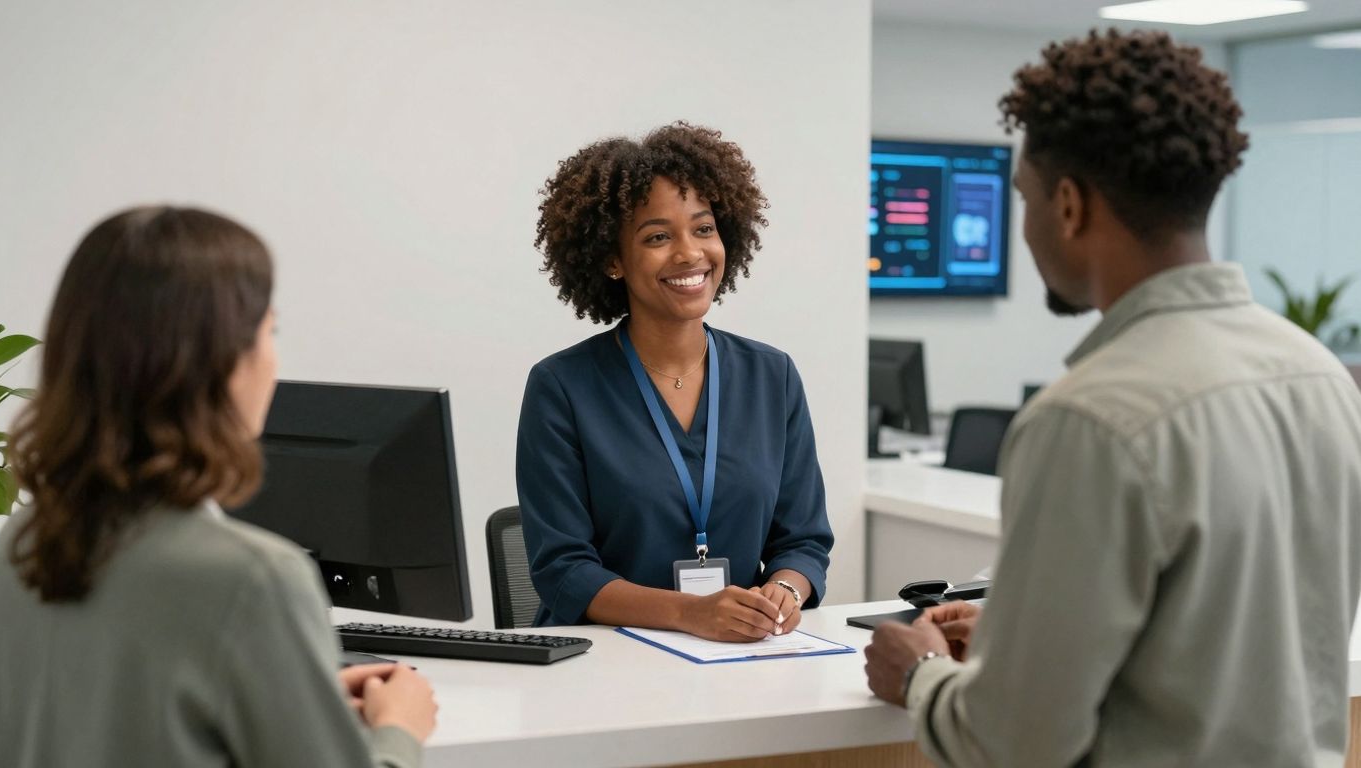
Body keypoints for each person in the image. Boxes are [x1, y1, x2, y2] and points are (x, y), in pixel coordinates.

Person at [864, 29, 1361, 766]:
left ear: (1068, 206)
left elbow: (1014, 744)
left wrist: (921, 674)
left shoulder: (1090, 418)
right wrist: (1017, 639)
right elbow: (1224, 650)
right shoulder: (1321, 379)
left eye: (1025, 199)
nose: (1025, 230)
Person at [0, 207, 438, 767]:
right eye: (269, 331)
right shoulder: (254, 580)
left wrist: (297, 701)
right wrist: (398, 728)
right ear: (221, 363)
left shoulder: (23, 543)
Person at [518, 122, 834, 641]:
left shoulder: (771, 376)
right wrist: (691, 613)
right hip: (602, 662)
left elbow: (802, 540)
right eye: (658, 237)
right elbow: (564, 570)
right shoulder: (561, 386)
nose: (690, 254)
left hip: (741, 653)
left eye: (704, 229)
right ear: (613, 260)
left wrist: (786, 591)